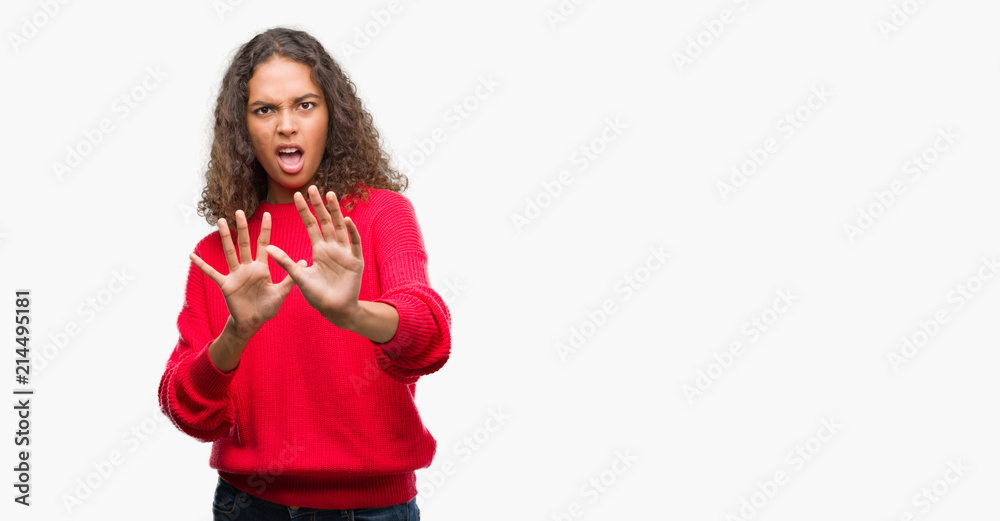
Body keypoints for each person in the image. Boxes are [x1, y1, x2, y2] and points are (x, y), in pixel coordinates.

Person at [157, 26, 450, 520]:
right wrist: (236, 333)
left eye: (305, 105)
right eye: (265, 109)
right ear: (242, 129)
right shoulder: (222, 251)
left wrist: (355, 313)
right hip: (250, 506)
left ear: (332, 118)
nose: (286, 125)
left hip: (374, 510)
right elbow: (187, 409)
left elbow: (430, 340)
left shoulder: (382, 215)